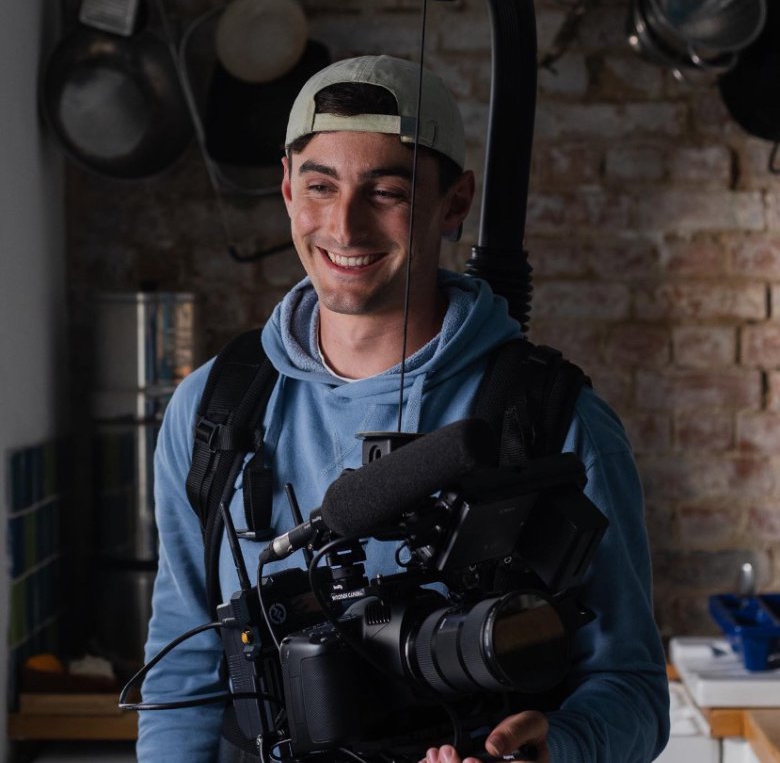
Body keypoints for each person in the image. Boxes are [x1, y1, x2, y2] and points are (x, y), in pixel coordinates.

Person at [137, 54, 670, 763]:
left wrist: (561, 745)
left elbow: (630, 687)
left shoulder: (556, 424)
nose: (345, 227)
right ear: (288, 191)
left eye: (386, 191)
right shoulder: (212, 411)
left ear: (455, 204)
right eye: (321, 186)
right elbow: (182, 673)